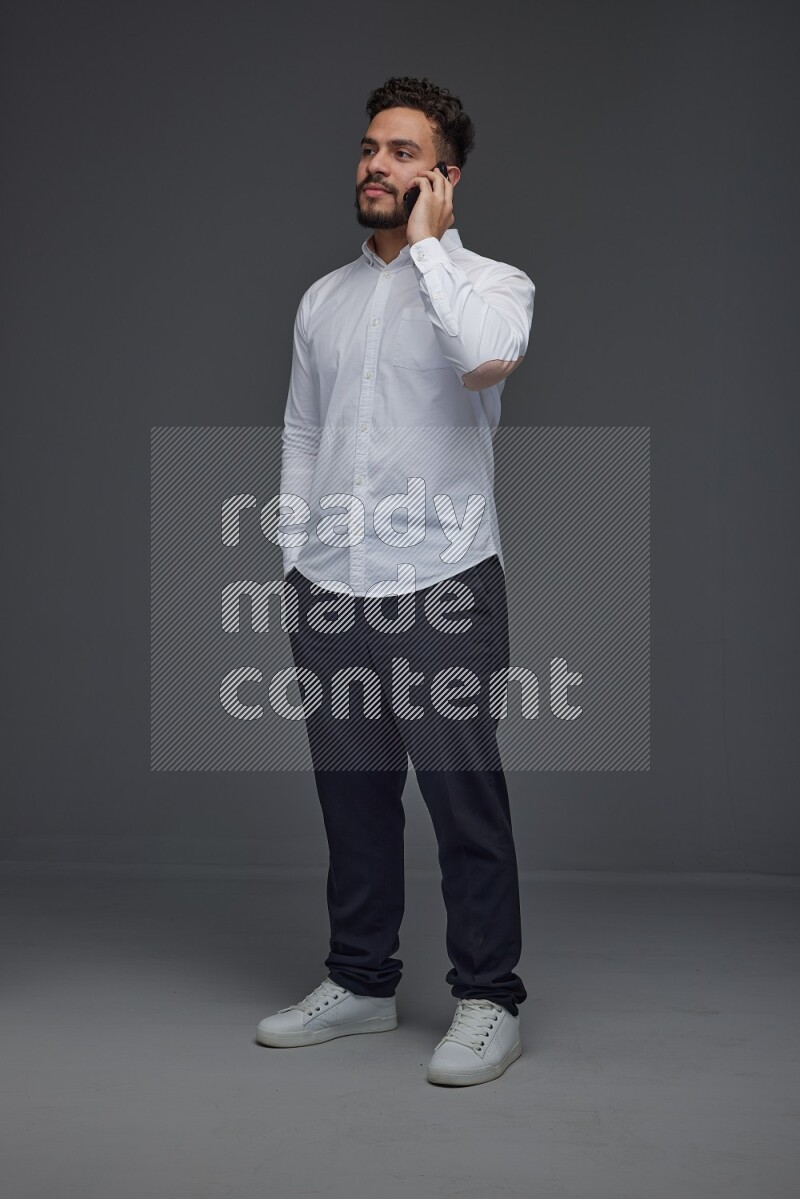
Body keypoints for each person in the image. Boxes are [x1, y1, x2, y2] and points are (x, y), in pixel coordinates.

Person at [257, 76, 535, 1087]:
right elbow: (298, 428)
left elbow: (486, 358)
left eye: (404, 152)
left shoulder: (492, 284)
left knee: (464, 798)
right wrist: (295, 547)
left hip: (443, 578)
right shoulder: (321, 300)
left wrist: (428, 247)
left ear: (443, 177)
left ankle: (487, 996)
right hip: (329, 586)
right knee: (354, 798)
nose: (377, 163)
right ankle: (361, 981)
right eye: (371, 146)